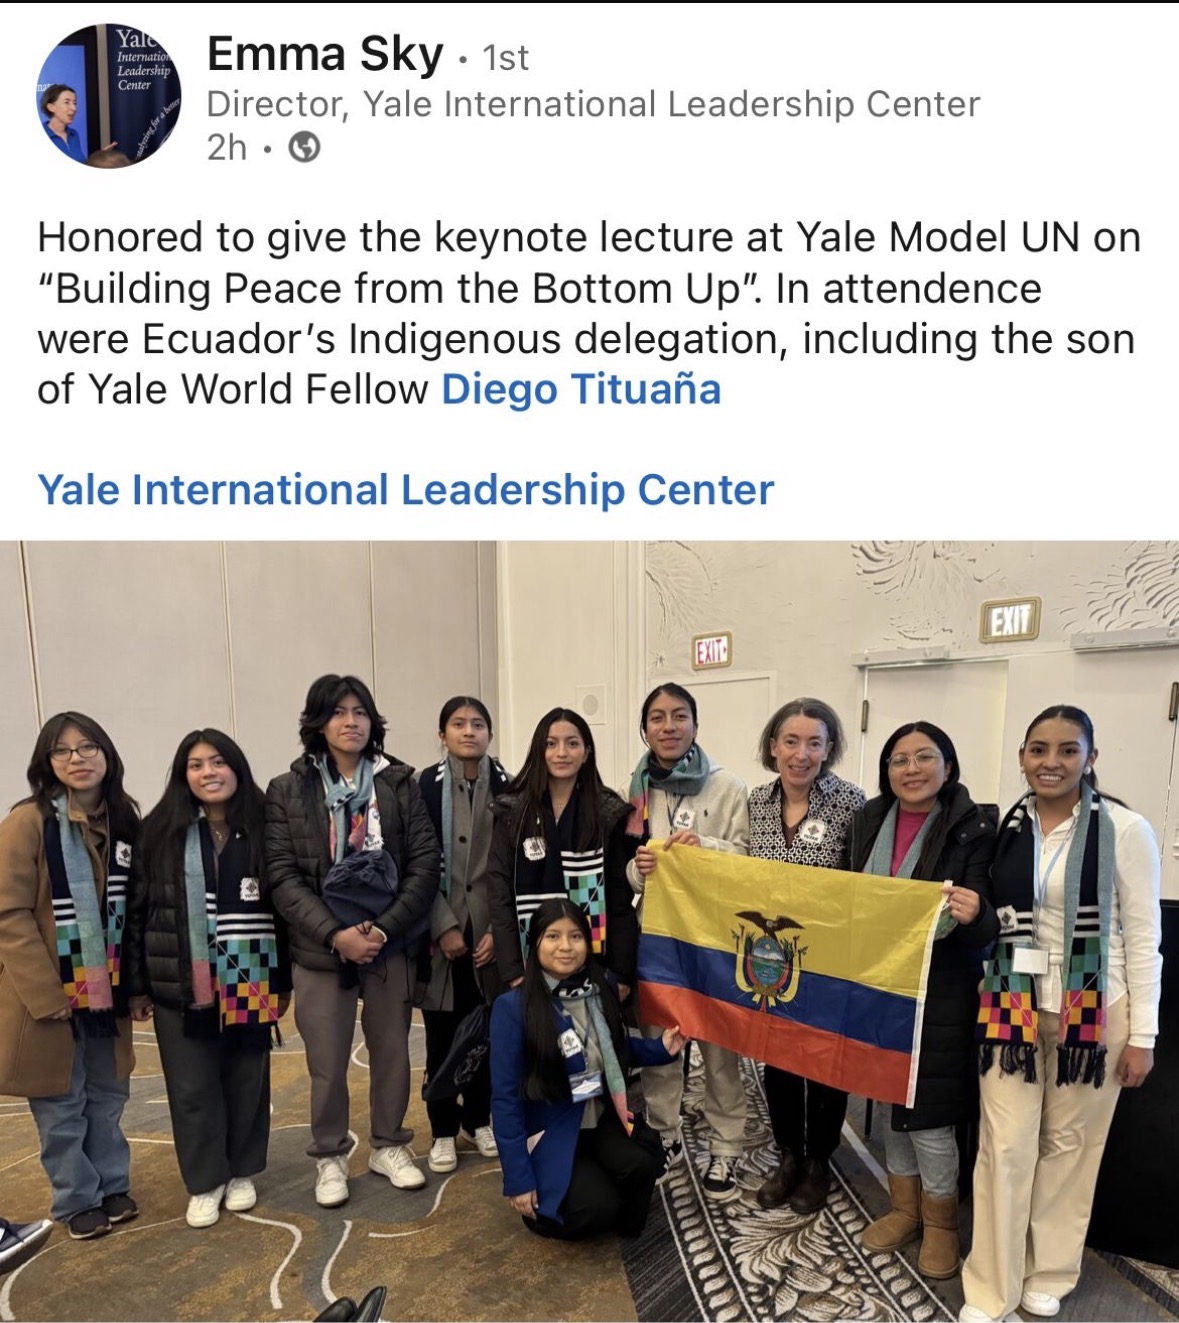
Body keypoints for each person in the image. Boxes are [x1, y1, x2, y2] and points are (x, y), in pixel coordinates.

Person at [959, 706, 1162, 1323]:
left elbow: (1144, 935)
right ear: (1022, 757)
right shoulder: (1006, 828)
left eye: (1067, 751)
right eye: (1038, 750)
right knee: (1004, 1145)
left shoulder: (1126, 830)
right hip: (1011, 1003)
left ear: (1090, 759)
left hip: (1097, 1011)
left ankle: (1049, 1272)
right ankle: (991, 1285)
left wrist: (1145, 1034)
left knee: (1071, 1146)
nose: (1051, 762)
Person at [265, 675, 439, 1207]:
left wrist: (384, 928)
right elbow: (282, 874)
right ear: (317, 722)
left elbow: (425, 864)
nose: (351, 721)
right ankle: (331, 1155)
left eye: (360, 711)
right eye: (338, 712)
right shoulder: (288, 789)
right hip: (322, 948)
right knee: (327, 1060)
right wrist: (334, 933)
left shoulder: (399, 783)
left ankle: (388, 1145)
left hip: (389, 941)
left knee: (390, 1051)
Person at [848, 722, 998, 1279]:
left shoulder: (974, 827)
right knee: (889, 1099)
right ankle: (904, 1207)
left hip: (942, 986)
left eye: (924, 757)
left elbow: (989, 919)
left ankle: (941, 1224)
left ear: (948, 766)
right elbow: (849, 894)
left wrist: (974, 912)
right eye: (898, 760)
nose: (910, 769)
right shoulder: (867, 820)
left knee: (930, 1115)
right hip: (878, 979)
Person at [124, 730, 289, 1228]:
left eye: (218, 762)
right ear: (183, 775)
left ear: (237, 768)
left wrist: (283, 981)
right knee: (192, 1087)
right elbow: (136, 913)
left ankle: (242, 1172)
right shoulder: (158, 831)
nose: (208, 772)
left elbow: (284, 910)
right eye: (196, 765)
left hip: (251, 975)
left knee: (246, 1080)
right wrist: (136, 984)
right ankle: (204, 1181)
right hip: (180, 983)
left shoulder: (265, 826)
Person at [0, 712, 140, 1240]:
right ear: (47, 763)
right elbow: (8, 913)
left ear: (107, 755)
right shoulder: (27, 822)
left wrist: (139, 987)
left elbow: (140, 908)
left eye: (88, 748)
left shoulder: (124, 820)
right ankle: (76, 1197)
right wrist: (45, 992)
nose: (77, 759)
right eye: (63, 751)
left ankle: (111, 1183)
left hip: (111, 991)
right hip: (50, 993)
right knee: (61, 1101)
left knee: (108, 1095)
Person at [490, 898, 686, 1239]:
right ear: (535, 943)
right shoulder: (513, 1008)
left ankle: (589, 1181)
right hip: (552, 1128)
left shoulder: (600, 989)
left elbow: (615, 1049)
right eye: (553, 936)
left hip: (598, 1117)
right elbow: (505, 1101)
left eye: (576, 937)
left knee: (644, 1167)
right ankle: (545, 1209)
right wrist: (518, 1181)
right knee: (596, 1209)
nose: (565, 947)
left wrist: (661, 1049)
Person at [623, 682, 749, 1200]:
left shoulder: (727, 786)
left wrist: (707, 848)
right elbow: (627, 872)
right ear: (645, 728)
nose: (668, 726)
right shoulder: (636, 788)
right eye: (657, 717)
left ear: (696, 725)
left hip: (716, 938)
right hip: (660, 936)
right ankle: (666, 1133)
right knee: (661, 1041)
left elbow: (746, 861)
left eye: (679, 716)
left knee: (721, 1046)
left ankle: (726, 1147)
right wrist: (640, 868)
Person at [747, 697, 866, 1215]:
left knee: (824, 1062)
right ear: (773, 746)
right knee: (778, 1060)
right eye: (790, 741)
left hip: (829, 956)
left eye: (814, 743)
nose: (801, 754)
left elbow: (865, 880)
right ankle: (789, 1155)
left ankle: (819, 1160)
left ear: (829, 748)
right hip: (770, 959)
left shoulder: (853, 803)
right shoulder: (755, 802)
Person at [417, 696, 511, 1173]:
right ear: (442, 734)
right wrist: (443, 925)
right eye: (458, 723)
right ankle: (440, 1129)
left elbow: (514, 866)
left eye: (478, 724)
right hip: (442, 931)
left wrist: (498, 930)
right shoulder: (424, 788)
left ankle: (479, 1119)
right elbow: (415, 863)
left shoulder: (510, 786)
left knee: (488, 1031)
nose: (468, 731)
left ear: (490, 734)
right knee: (442, 1033)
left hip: (491, 931)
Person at [486, 708, 638, 994]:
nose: (562, 752)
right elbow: (499, 895)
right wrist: (514, 972)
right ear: (539, 750)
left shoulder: (607, 813)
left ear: (586, 752)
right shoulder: (512, 811)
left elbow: (618, 899)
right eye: (551, 743)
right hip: (527, 966)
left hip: (595, 965)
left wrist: (620, 973)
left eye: (572, 743)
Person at [40, 85, 85, 162]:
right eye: (66, 102)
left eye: (74, 103)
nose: (74, 108)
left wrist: (98, 159)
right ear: (51, 107)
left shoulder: (73, 134)